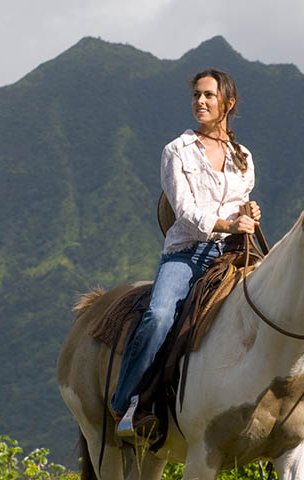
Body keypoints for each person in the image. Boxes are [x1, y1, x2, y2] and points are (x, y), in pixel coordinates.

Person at [111, 68, 261, 437]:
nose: (201, 101)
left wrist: (248, 213)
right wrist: (227, 224)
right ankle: (125, 403)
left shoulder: (243, 155)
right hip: (186, 254)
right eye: (197, 95)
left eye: (209, 95)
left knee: (279, 299)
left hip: (232, 253)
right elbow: (187, 212)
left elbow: (237, 204)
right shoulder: (177, 151)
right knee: (160, 315)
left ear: (229, 103)